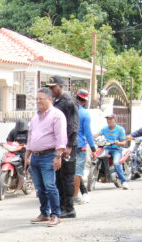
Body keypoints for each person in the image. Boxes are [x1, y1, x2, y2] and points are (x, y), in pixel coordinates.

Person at [25, 88, 67, 227]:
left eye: (41, 99)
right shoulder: (35, 118)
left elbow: (61, 137)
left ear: (49, 99)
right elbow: (30, 137)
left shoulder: (57, 115)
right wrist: (27, 156)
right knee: (39, 188)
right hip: (35, 157)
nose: (38, 101)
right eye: (36, 99)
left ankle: (56, 215)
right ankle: (44, 213)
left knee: (50, 186)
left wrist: (58, 156)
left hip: (49, 156)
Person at [45, 75, 79, 218]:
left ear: (61, 86)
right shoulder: (56, 102)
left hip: (67, 146)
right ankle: (60, 207)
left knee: (67, 178)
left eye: (53, 87)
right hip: (58, 145)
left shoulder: (69, 102)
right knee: (58, 177)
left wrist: (69, 145)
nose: (51, 90)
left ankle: (69, 208)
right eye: (50, 88)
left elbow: (73, 125)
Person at [73, 89, 96, 204]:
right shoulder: (85, 113)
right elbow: (88, 133)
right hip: (79, 145)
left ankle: (82, 193)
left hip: (66, 145)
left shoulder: (67, 111)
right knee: (77, 172)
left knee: (70, 171)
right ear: (85, 101)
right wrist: (93, 149)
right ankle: (75, 196)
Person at [95, 114, 129, 190]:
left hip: (116, 150)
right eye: (107, 119)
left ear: (115, 120)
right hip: (106, 148)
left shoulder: (120, 129)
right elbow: (96, 135)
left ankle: (124, 181)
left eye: (110, 119)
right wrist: (90, 137)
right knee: (97, 158)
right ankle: (102, 175)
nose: (108, 120)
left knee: (116, 163)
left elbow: (124, 142)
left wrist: (118, 143)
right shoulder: (104, 129)